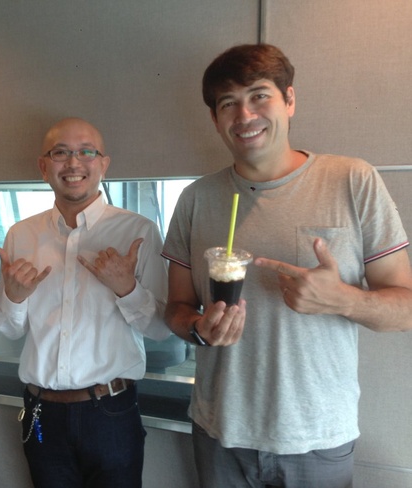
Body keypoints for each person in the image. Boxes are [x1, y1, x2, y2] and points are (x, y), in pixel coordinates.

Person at [162, 43, 412, 488]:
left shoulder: (353, 180)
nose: (244, 115)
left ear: (289, 99)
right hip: (220, 433)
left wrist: (344, 300)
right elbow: (176, 307)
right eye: (228, 103)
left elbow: (406, 309)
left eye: (259, 95)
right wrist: (199, 329)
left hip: (317, 438)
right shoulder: (195, 199)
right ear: (215, 118)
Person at [0, 117, 170, 488]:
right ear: (44, 167)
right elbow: (9, 329)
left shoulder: (137, 231)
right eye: (61, 153)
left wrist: (126, 288)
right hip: (41, 410)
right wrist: (15, 297)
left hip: (112, 411)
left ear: (104, 164)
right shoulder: (21, 234)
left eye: (87, 152)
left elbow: (160, 330)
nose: (73, 163)